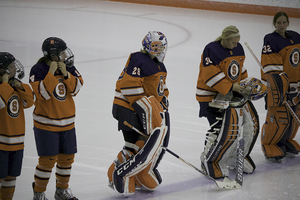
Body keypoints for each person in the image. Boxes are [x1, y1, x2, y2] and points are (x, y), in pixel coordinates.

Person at [196, 25, 265, 179]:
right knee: (218, 129)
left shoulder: (238, 48)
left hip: (230, 95)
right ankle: (208, 159)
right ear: (226, 39)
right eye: (233, 42)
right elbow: (209, 74)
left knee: (248, 126)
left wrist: (245, 85)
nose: (236, 45)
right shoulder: (211, 49)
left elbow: (239, 69)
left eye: (237, 42)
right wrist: (231, 86)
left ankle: (234, 156)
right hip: (210, 96)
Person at [107, 31, 170, 196]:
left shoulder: (159, 66)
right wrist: (150, 108)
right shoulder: (139, 59)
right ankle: (116, 174)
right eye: (156, 46)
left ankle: (135, 175)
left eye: (162, 46)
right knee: (137, 143)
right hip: (127, 107)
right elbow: (129, 86)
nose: (160, 49)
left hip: (137, 108)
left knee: (137, 145)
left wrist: (162, 101)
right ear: (147, 46)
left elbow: (159, 90)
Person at [29, 37, 84, 200]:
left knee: (67, 159)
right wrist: (52, 72)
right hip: (46, 125)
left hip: (67, 123)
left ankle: (61, 190)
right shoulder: (37, 69)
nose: (65, 55)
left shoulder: (69, 67)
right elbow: (43, 94)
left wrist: (66, 73)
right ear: (52, 55)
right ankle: (39, 193)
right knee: (47, 161)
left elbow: (76, 89)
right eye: (61, 52)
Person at [260, 12, 300, 162]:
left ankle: (286, 141)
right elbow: (272, 67)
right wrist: (281, 87)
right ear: (274, 24)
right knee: (279, 115)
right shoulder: (270, 39)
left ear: (288, 23)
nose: (281, 25)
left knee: (294, 115)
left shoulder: (296, 37)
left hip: (296, 85)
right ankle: (270, 144)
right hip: (280, 87)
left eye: (284, 22)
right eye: (278, 23)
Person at [0, 52, 34, 200]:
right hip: (1, 144)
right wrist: (5, 85)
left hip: (17, 143)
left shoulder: (15, 86)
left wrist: (20, 86)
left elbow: (30, 102)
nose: (15, 68)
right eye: (12, 66)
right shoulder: (4, 88)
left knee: (11, 177)